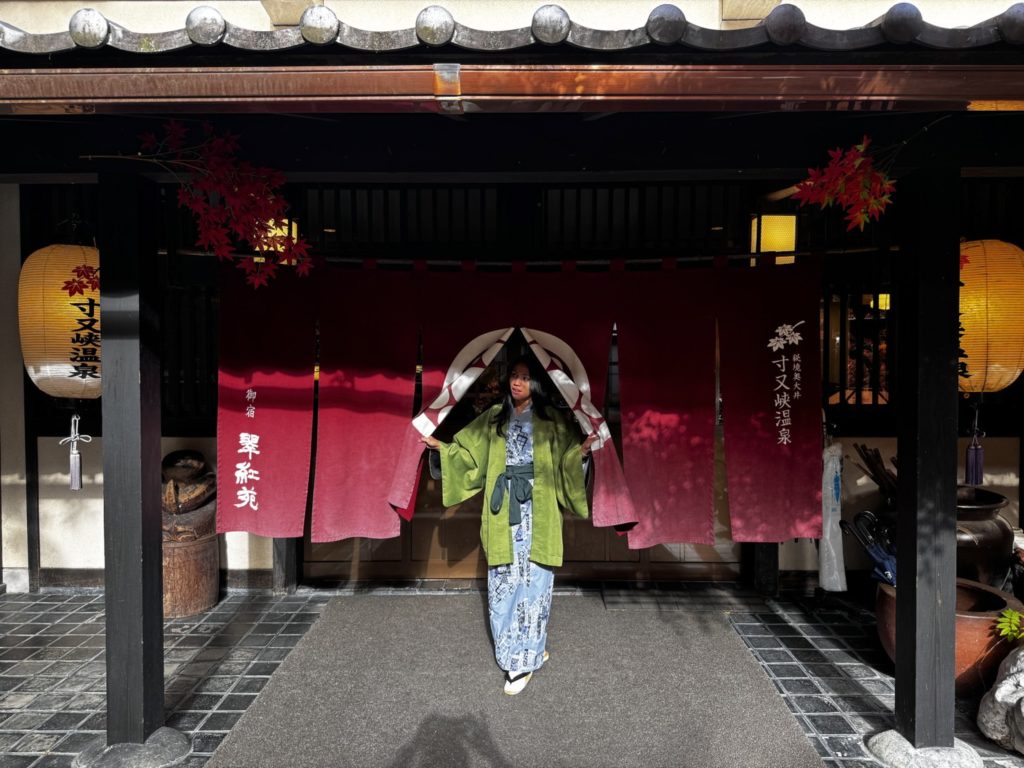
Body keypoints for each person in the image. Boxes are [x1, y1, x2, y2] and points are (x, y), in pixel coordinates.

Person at [422, 355, 597, 695]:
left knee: (535, 586)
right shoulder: (493, 418)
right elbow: (469, 457)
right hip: (503, 510)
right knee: (503, 584)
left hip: (539, 511)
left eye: (525, 377)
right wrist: (442, 448)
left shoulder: (553, 421)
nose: (517, 382)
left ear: (538, 383)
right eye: (514, 375)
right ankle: (511, 655)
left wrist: (582, 454)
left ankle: (527, 658)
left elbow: (566, 462)